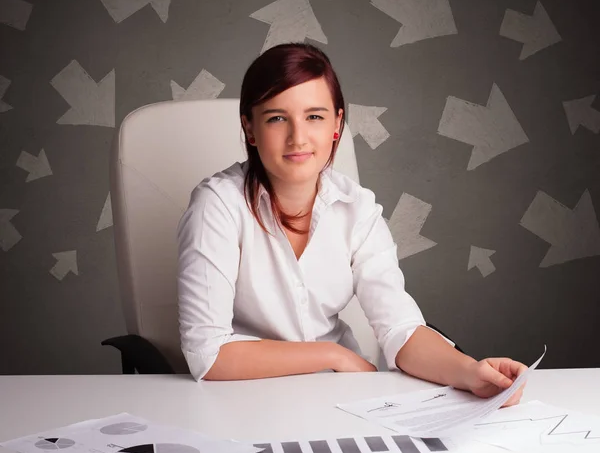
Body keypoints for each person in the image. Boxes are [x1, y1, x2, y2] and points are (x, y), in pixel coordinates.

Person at [177, 42, 527, 405]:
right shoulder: (217, 205)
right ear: (250, 128)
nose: (298, 137)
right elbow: (209, 353)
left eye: (314, 116)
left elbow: (400, 329)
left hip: (341, 398)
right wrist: (333, 355)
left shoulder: (358, 208)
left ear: (336, 124)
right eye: (277, 118)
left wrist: (471, 373)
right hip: (243, 401)